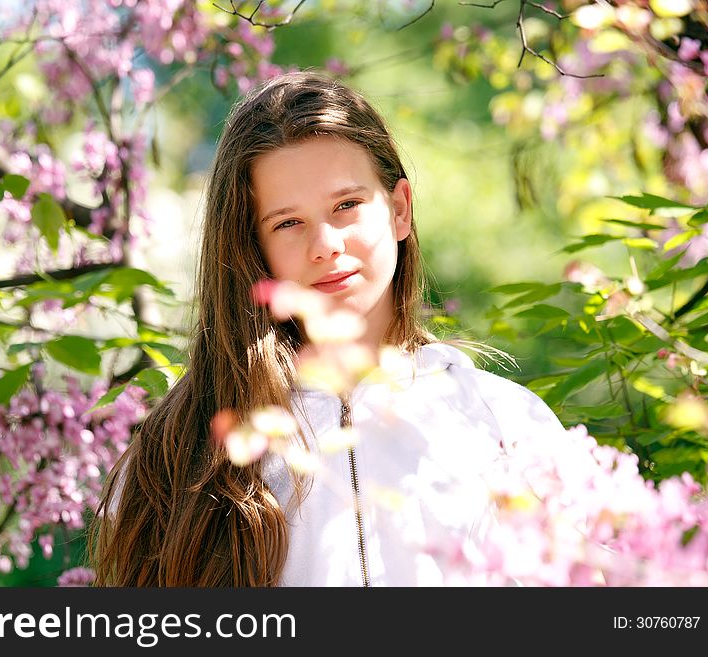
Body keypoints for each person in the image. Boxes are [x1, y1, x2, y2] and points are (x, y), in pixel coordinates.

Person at [89, 70, 567, 586]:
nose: (325, 244)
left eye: (346, 205)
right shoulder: (177, 452)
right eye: (287, 223)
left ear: (399, 209)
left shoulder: (504, 424)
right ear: (254, 248)